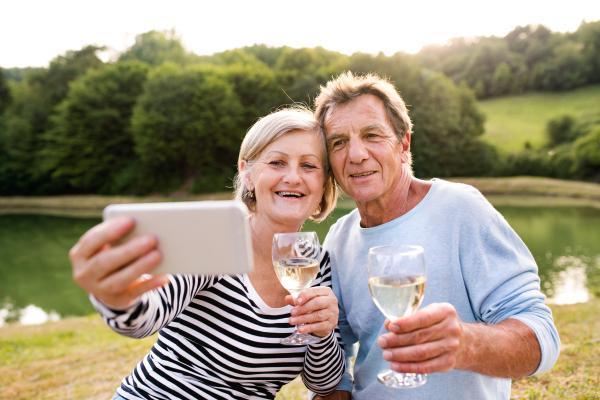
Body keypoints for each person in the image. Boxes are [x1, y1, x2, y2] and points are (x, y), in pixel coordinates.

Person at [298, 72, 561, 399]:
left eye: (372, 135)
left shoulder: (461, 209)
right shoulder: (339, 237)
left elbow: (542, 337)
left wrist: (467, 344)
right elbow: (334, 351)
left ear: (404, 143)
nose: (356, 155)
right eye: (339, 142)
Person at [69, 107, 345, 400]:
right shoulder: (218, 240)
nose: (293, 177)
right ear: (247, 174)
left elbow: (323, 383)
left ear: (324, 182)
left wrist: (323, 334)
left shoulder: (319, 263)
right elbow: (144, 317)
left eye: (309, 166)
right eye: (277, 162)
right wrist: (115, 296)